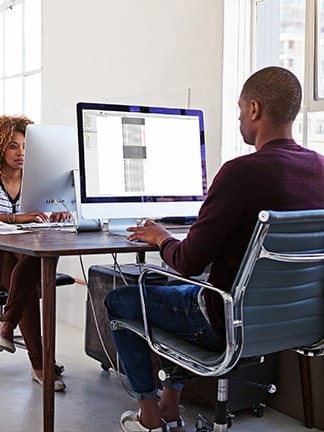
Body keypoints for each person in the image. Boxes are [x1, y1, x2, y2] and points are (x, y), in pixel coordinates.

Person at [106, 66, 324, 432]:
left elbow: (188, 262)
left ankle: (149, 415)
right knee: (172, 292)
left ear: (254, 108)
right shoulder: (320, 168)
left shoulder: (239, 172)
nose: (239, 119)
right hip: (296, 325)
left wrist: (161, 237)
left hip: (226, 324)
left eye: (239, 110)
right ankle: (170, 405)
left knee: (120, 301)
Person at [0, 114, 70, 392]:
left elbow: (48, 212)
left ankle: (8, 322)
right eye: (13, 146)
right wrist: (12, 218)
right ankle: (40, 364)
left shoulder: (35, 179)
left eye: (25, 147)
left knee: (35, 261)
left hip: (23, 252)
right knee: (25, 285)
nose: (21, 153)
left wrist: (58, 213)